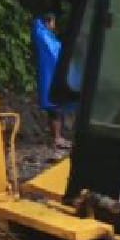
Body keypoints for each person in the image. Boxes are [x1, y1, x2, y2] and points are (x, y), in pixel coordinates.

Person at [30, 12, 71, 149]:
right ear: (48, 22)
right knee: (55, 109)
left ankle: (57, 137)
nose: (54, 25)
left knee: (54, 109)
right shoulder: (43, 36)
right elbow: (56, 53)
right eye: (53, 22)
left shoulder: (43, 34)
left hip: (49, 77)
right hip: (50, 77)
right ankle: (57, 138)